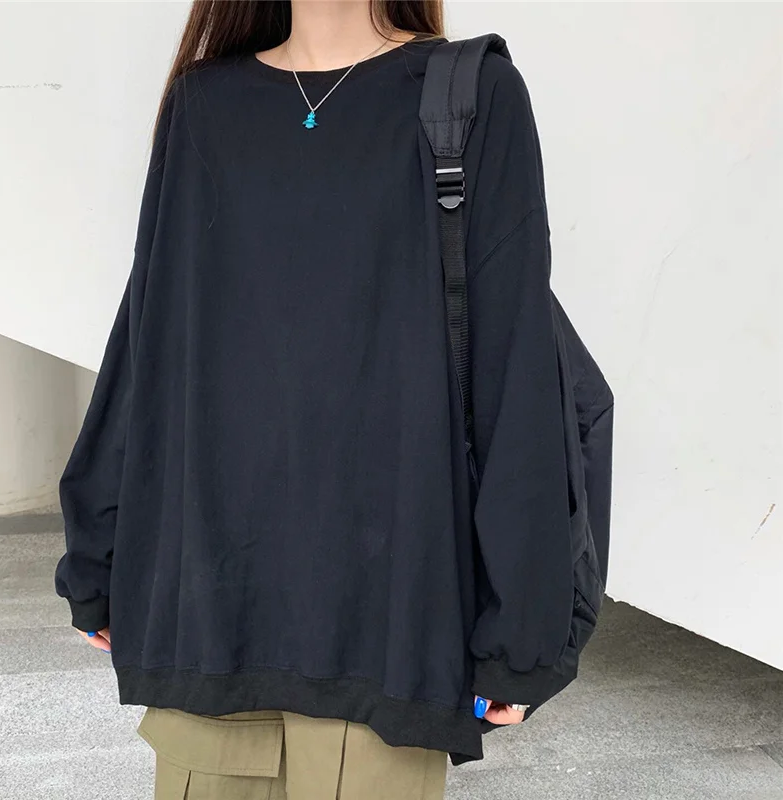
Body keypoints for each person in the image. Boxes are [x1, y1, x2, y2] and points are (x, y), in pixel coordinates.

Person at [54, 1, 589, 797]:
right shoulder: (204, 105)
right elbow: (150, 339)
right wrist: (98, 556)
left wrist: (522, 631)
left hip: (386, 634)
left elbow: (514, 367)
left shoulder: (470, 97)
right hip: (211, 625)